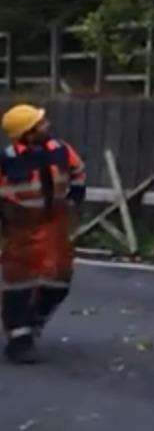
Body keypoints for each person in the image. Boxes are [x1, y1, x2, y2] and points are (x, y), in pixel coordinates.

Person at [0, 104, 86, 364]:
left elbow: (77, 170)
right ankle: (19, 340)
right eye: (41, 123)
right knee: (19, 283)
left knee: (59, 280)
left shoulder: (60, 150)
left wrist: (75, 194)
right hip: (19, 228)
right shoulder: (7, 160)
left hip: (54, 225)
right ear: (27, 132)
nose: (47, 124)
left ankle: (33, 321)